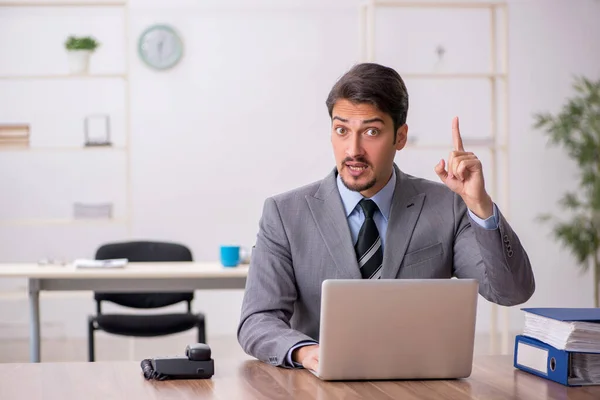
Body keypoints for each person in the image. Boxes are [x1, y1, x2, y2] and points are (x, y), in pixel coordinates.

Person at [237, 62, 535, 372]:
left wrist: (480, 205)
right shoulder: (285, 214)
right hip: (318, 386)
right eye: (342, 130)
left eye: (371, 132)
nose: (353, 150)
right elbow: (257, 320)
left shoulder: (448, 206)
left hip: (419, 383)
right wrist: (305, 352)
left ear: (400, 137)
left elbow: (511, 291)